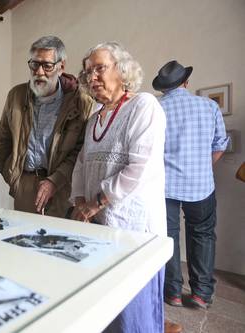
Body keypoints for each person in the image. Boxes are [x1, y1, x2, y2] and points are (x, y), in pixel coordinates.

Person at [69, 42, 178, 333]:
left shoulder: (144, 106)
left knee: (134, 315)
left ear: (123, 70)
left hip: (134, 230)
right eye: (88, 71)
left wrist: (96, 202)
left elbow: (140, 167)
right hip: (100, 228)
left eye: (99, 68)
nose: (91, 77)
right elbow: (82, 163)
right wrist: (80, 200)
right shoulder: (94, 119)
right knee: (105, 307)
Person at [153, 60, 228, 310]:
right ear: (186, 82)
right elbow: (219, 145)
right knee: (203, 234)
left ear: (164, 87)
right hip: (201, 185)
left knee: (168, 236)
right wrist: (202, 167)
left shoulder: (155, 108)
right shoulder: (209, 106)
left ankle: (172, 292)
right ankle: (201, 294)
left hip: (164, 186)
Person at [0, 36, 94, 218]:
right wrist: (14, 179)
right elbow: (4, 139)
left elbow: (81, 151)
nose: (39, 72)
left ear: (61, 66)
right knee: (22, 242)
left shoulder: (81, 102)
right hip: (24, 186)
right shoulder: (16, 96)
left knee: (57, 243)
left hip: (63, 188)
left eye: (47, 65)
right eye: (34, 64)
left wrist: (54, 181)